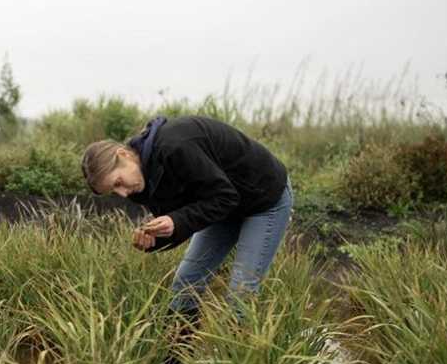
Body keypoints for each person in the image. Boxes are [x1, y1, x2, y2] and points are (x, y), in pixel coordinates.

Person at [81, 115, 292, 320]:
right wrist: (154, 239)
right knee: (185, 286)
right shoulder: (138, 184)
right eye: (114, 191)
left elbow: (224, 197)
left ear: (124, 155)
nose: (123, 194)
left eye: (118, 183)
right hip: (222, 207)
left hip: (263, 199)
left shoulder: (175, 146)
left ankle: (238, 355)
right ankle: (176, 355)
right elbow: (184, 218)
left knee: (240, 294)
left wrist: (176, 221)